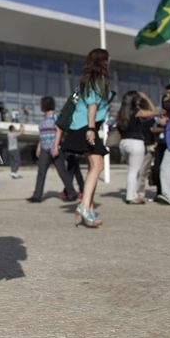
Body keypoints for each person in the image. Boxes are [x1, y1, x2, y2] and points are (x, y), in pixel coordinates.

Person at [54, 48, 112, 228]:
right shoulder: (97, 80)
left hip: (81, 126)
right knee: (98, 165)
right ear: (103, 61)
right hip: (85, 127)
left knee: (94, 167)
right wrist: (92, 129)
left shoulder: (87, 80)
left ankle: (88, 209)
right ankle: (84, 206)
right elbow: (92, 106)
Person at [26, 96, 78, 203]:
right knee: (41, 172)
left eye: (41, 104)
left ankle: (72, 194)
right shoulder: (43, 120)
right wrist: (38, 147)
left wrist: (56, 146)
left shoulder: (57, 117)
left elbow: (59, 132)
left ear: (44, 105)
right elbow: (42, 135)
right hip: (44, 149)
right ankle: (37, 196)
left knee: (62, 172)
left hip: (55, 149)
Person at [116, 91, 157, 204]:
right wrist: (146, 97)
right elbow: (153, 112)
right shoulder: (136, 112)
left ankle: (132, 194)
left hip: (123, 143)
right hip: (136, 143)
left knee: (131, 170)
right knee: (134, 171)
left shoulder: (119, 113)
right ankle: (131, 196)